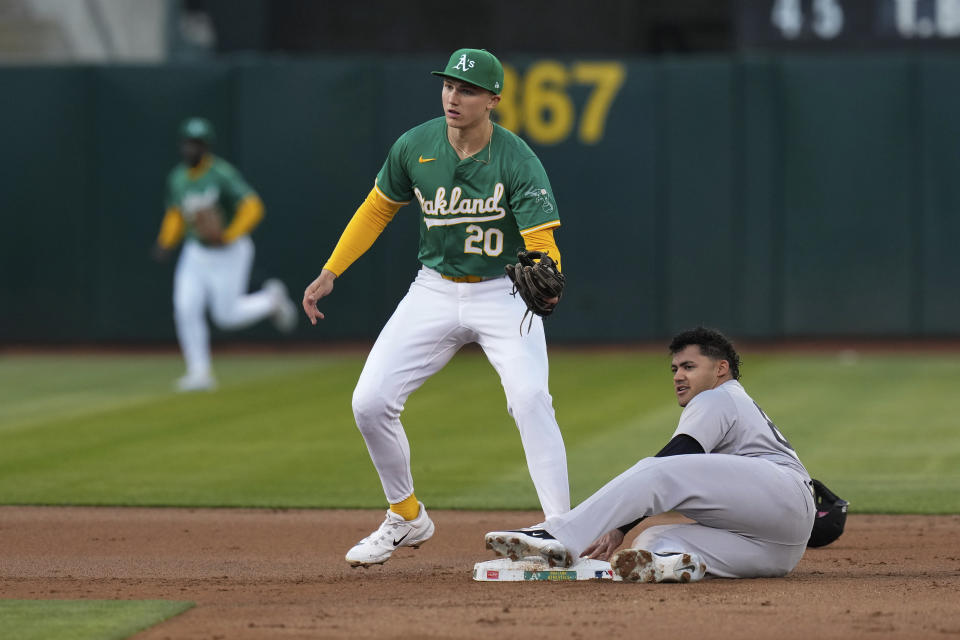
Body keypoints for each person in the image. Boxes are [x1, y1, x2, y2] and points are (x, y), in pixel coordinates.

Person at [302, 48, 571, 567]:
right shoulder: (415, 146)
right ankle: (406, 516)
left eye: (467, 89)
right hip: (434, 289)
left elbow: (541, 241)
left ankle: (561, 528)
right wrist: (331, 270)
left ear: (492, 99)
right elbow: (377, 208)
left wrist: (549, 271)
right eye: (448, 85)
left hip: (501, 292)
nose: (454, 96)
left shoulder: (517, 158)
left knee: (531, 397)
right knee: (369, 402)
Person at [485, 327, 816, 583]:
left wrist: (618, 524)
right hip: (778, 549)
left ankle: (557, 536)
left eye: (689, 366)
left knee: (656, 470)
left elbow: (676, 460)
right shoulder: (732, 402)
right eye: (674, 369)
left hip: (780, 494)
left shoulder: (719, 397)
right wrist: (627, 529)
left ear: (721, 369)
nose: (678, 376)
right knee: (652, 540)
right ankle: (672, 563)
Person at [153, 117, 297, 392]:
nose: (191, 149)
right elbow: (175, 215)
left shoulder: (221, 174)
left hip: (230, 251)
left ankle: (271, 300)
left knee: (226, 316)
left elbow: (253, 207)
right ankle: (199, 373)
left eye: (197, 144)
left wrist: (229, 235)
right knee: (185, 307)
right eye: (187, 143)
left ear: (206, 147)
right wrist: (165, 241)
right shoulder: (178, 178)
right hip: (196, 251)